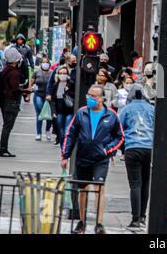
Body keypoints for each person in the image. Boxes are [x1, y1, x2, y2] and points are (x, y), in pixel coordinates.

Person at [62, 85, 124, 235]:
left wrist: (107, 150)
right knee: (83, 190)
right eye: (89, 95)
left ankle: (99, 224)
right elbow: (70, 134)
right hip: (83, 158)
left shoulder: (111, 115)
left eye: (94, 96)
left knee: (99, 188)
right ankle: (81, 222)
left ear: (102, 98)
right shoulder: (81, 113)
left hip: (100, 159)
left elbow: (120, 137)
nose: (90, 98)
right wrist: (65, 155)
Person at [120, 85, 155, 229]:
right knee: (146, 183)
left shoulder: (127, 109)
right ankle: (142, 217)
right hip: (149, 148)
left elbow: (119, 127)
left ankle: (135, 219)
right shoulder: (151, 109)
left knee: (135, 184)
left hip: (132, 147)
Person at [0, 48, 24, 158]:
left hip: (4, 101)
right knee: (7, 127)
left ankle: (3, 148)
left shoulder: (5, 70)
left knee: (6, 126)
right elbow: (15, 89)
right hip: (11, 102)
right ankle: (3, 149)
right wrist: (24, 90)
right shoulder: (14, 73)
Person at [50, 66, 74, 150]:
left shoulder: (71, 84)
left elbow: (74, 96)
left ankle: (67, 147)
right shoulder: (56, 85)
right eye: (60, 73)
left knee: (67, 129)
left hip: (69, 111)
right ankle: (62, 149)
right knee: (60, 131)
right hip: (59, 111)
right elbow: (52, 100)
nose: (63, 75)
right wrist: (53, 112)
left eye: (64, 73)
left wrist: (67, 90)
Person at [29, 57, 53, 141]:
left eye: (46, 62)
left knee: (49, 114)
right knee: (39, 113)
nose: (45, 64)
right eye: (43, 62)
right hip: (38, 94)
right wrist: (28, 94)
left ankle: (47, 131)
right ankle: (38, 133)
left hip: (49, 96)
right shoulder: (37, 73)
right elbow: (31, 83)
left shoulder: (52, 73)